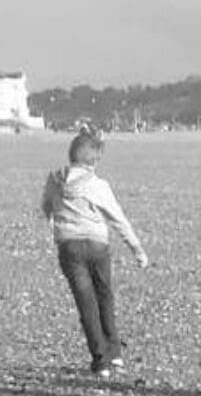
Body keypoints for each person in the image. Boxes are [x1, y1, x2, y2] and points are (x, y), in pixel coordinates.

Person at [41, 132, 149, 377]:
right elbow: (118, 219)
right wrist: (137, 250)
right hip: (97, 245)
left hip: (69, 245)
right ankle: (115, 354)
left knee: (86, 302)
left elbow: (46, 207)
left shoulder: (55, 180)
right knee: (105, 296)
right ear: (93, 160)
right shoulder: (98, 185)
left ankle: (100, 360)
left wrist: (53, 226)